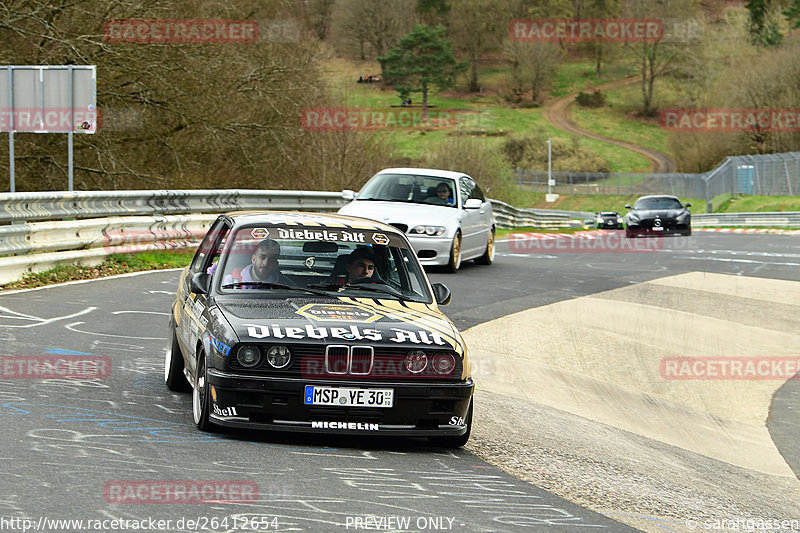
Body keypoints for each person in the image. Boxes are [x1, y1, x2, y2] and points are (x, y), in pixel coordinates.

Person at [223, 239, 293, 288]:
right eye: (262, 257)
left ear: (276, 264)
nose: (265, 263)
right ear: (254, 259)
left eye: (271, 260)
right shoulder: (231, 281)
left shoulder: (285, 286)